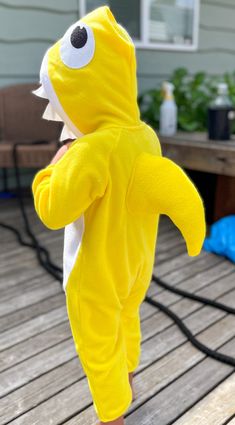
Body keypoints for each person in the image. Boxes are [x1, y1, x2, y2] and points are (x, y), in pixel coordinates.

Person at [31, 6, 206, 424]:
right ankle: (129, 374)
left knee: (97, 344)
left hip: (96, 275)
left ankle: (112, 414)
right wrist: (194, 229)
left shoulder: (90, 150)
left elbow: (54, 212)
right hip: (135, 266)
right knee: (128, 319)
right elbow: (170, 185)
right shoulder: (144, 135)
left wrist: (51, 170)